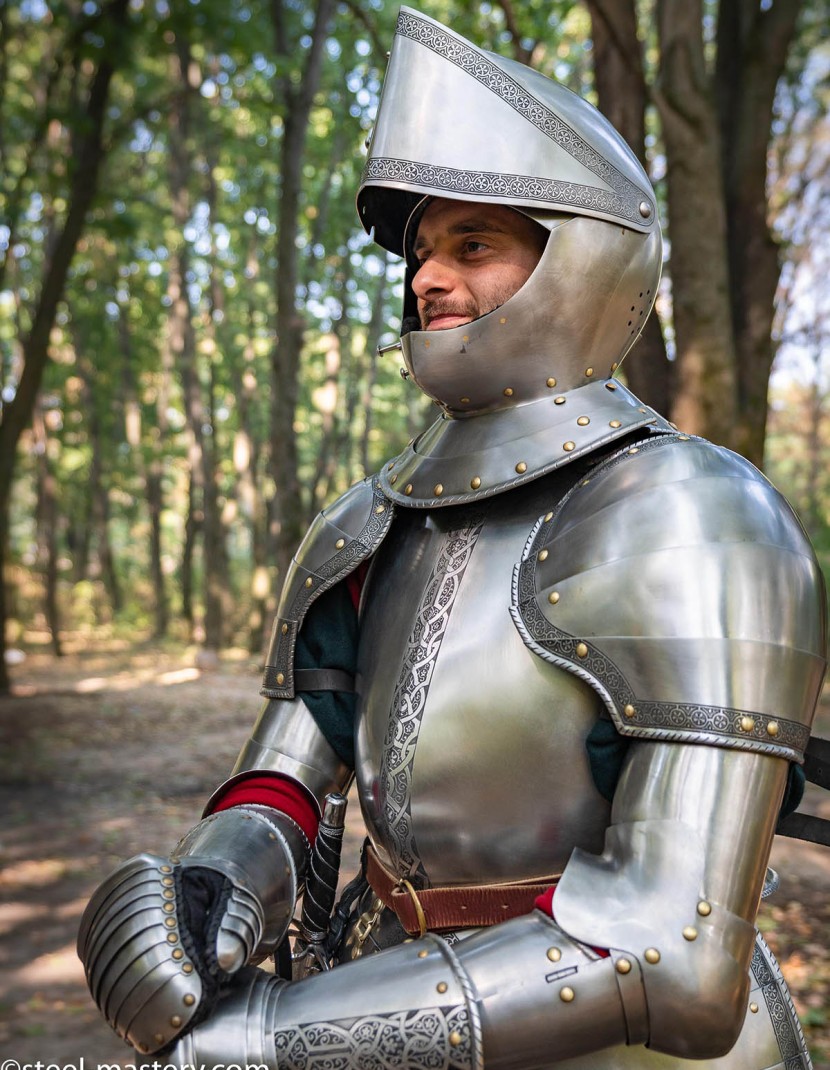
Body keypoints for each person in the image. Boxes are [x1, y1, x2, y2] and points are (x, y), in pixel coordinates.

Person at [78, 8, 827, 1069]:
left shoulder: (695, 515)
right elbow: (288, 775)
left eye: (470, 245)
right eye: (422, 251)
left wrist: (277, 1037)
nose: (426, 279)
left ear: (584, 262)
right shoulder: (365, 519)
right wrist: (216, 888)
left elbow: (672, 955)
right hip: (379, 979)